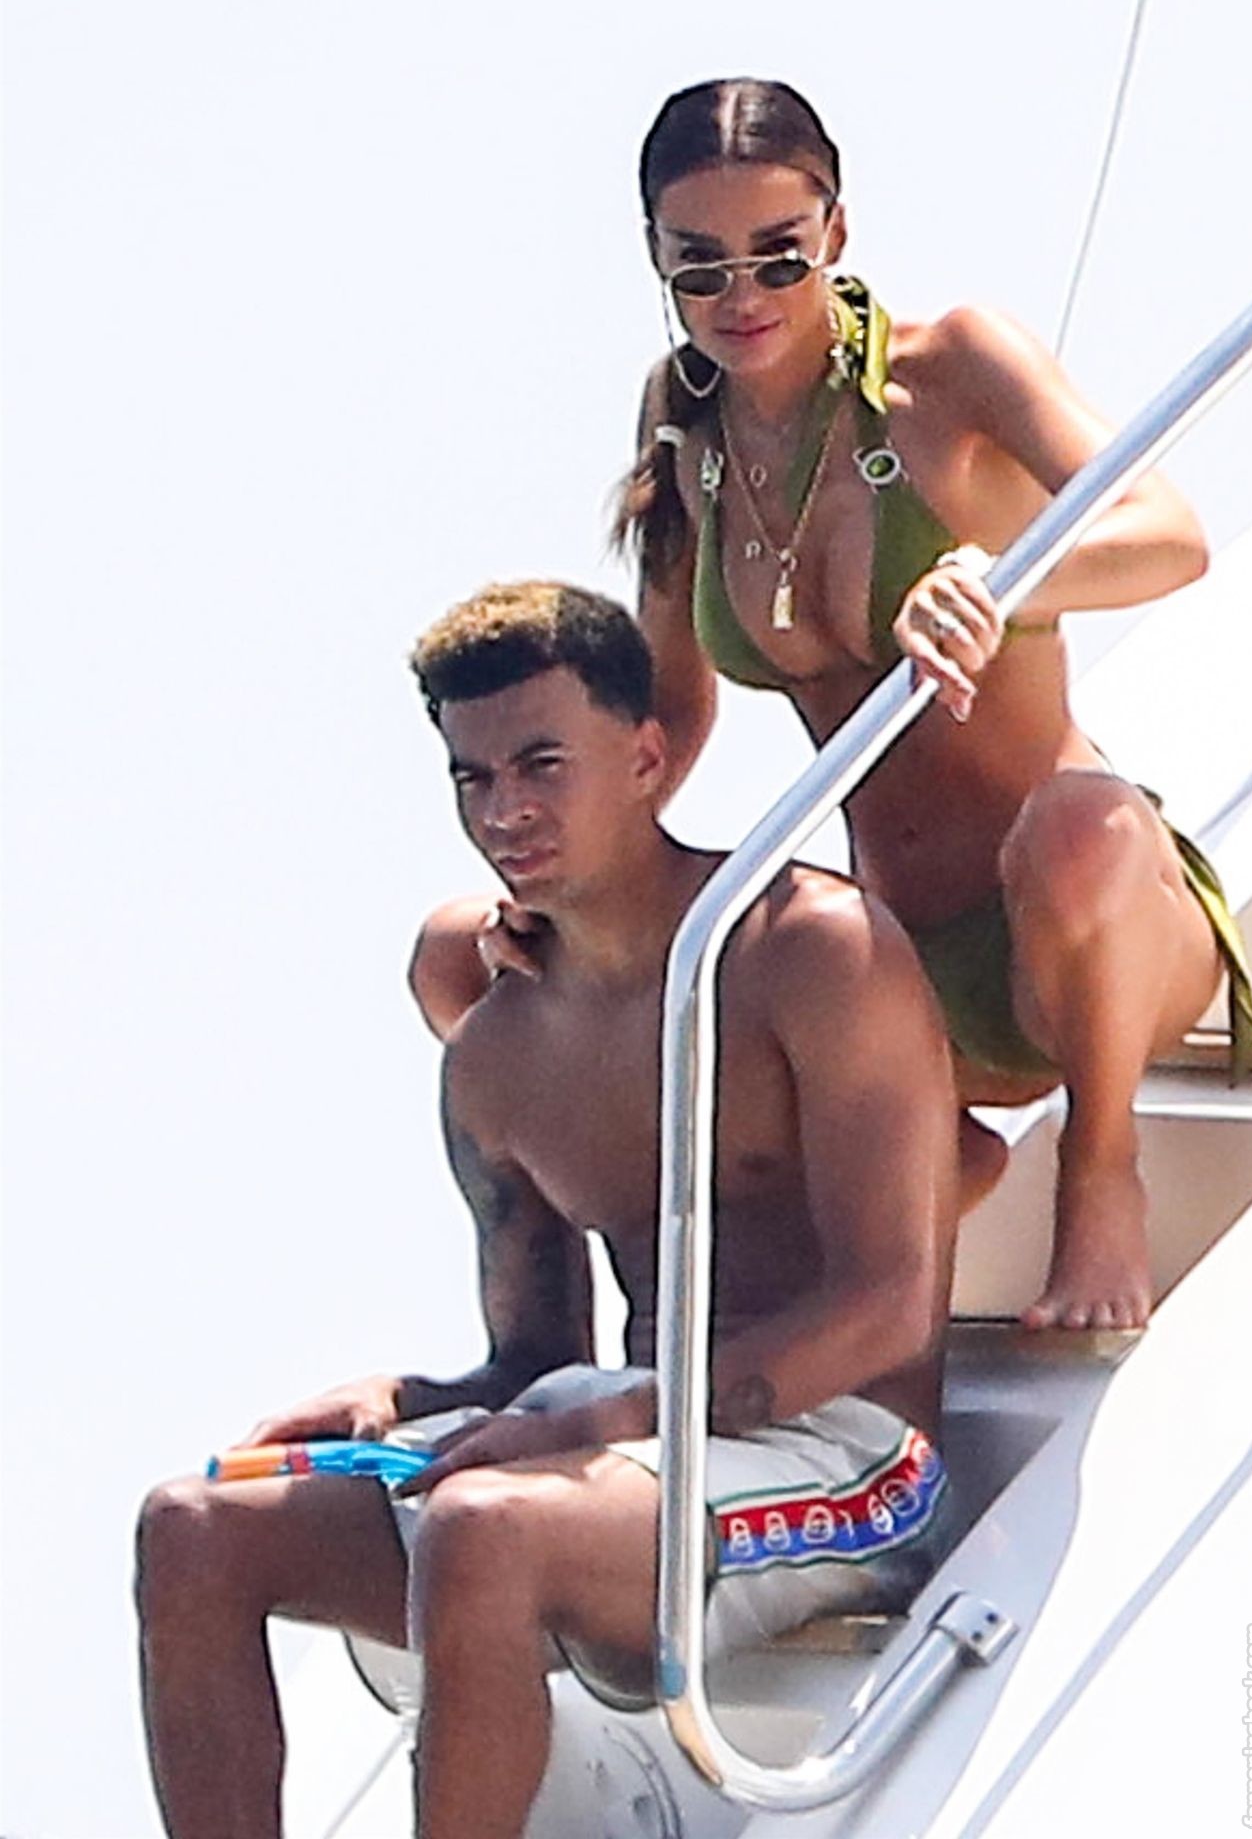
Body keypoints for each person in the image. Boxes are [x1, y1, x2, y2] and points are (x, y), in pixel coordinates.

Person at [414, 78, 1252, 1334]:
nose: (741, 297)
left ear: (836, 233)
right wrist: (561, 890)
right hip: (893, 966)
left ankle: (1099, 1170)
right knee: (457, 954)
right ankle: (603, 1317)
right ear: (656, 261)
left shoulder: (950, 367)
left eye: (777, 256)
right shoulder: (686, 433)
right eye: (700, 268)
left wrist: (1000, 581)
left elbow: (1170, 536)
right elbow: (664, 715)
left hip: (1074, 938)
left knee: (1078, 827)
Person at [135, 582, 960, 1839]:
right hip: (623, 1443)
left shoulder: (809, 948)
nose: (503, 811)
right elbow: (530, 1362)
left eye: (540, 765)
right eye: (471, 779)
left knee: (482, 1529)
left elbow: (889, 1304)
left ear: (645, 759)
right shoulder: (496, 1054)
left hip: (848, 1456)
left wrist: (626, 1415)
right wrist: (397, 1399)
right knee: (193, 1528)